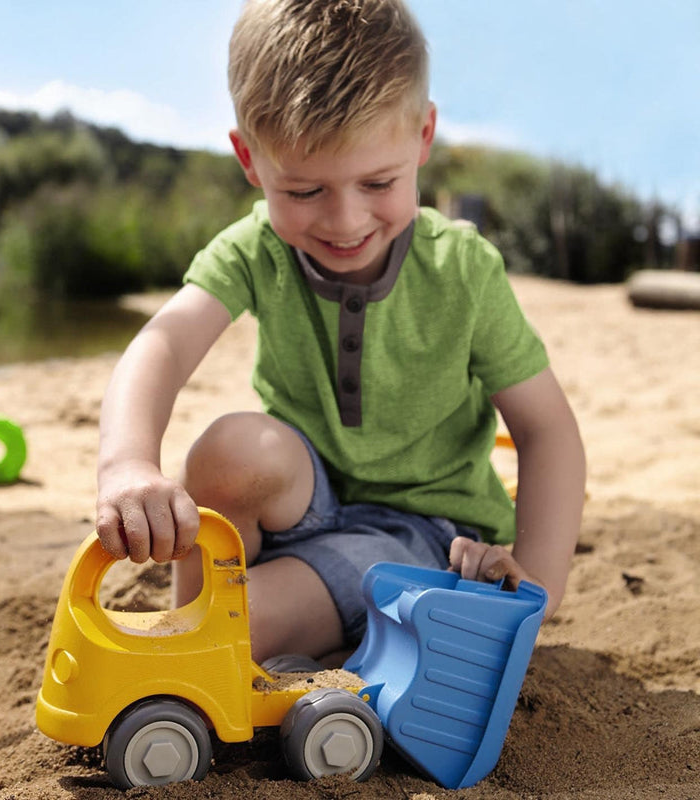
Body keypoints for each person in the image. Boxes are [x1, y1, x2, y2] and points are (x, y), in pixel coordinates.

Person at [95, 0, 586, 666]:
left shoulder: (462, 270)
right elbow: (165, 342)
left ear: (423, 137)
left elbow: (546, 428)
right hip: (303, 506)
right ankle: (200, 622)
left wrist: (539, 591)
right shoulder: (256, 249)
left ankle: (209, 644)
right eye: (303, 192)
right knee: (230, 448)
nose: (344, 220)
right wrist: (126, 464)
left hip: (426, 537)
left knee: (232, 632)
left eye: (378, 183)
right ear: (249, 158)